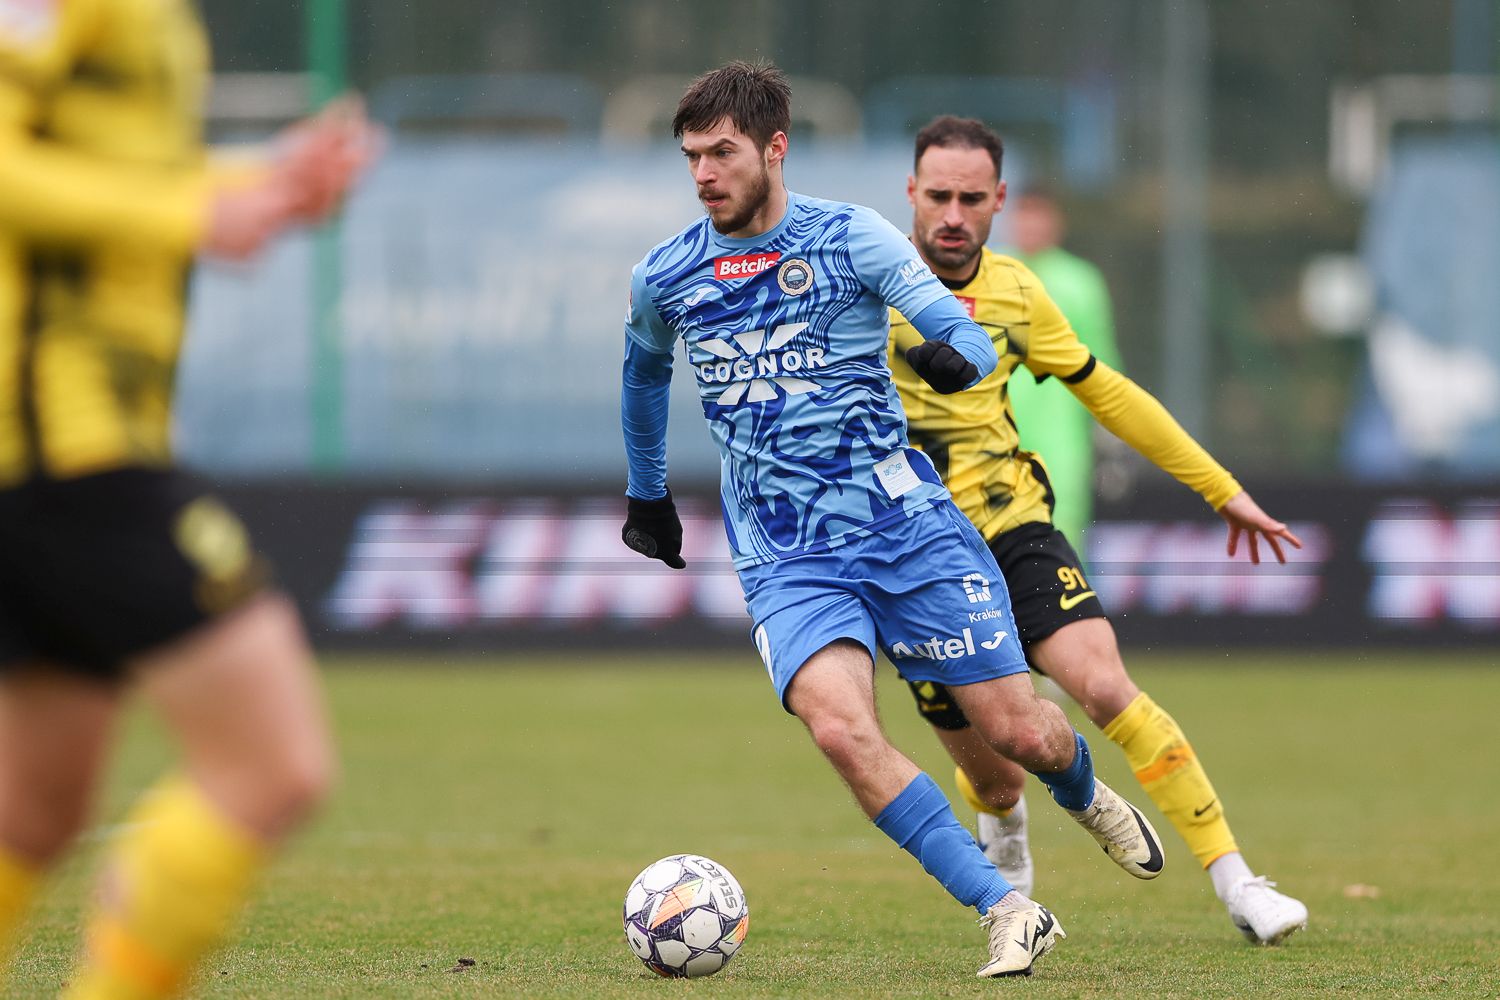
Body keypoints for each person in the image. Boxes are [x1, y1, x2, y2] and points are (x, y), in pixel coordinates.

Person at [618, 62, 1166, 979]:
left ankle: (1082, 789)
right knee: (840, 730)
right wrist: (647, 492)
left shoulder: (851, 238)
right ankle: (1007, 908)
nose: (705, 173)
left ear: (775, 149)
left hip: (907, 530)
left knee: (1019, 734)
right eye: (692, 157)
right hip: (787, 556)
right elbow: (642, 374)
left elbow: (964, 332)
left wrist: (956, 357)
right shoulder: (667, 274)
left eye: (723, 153)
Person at [0, 3, 378, 997]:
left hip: (71, 453)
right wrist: (189, 213)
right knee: (273, 766)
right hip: (63, 447)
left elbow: (107, 171)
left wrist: (263, 182)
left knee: (32, 813)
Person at [888, 115, 1309, 945]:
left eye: (971, 198)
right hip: (916, 556)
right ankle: (1004, 826)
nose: (953, 214)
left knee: (1106, 685)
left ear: (1000, 199)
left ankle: (1237, 880)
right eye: (938, 196)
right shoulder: (868, 286)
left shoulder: (1018, 293)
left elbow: (1108, 392)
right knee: (999, 776)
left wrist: (1219, 488)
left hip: (1012, 523)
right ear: (911, 193)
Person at [1003, 186, 1124, 549]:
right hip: (995, 429)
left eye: (1039, 214)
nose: (1031, 225)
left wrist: (1111, 437)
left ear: (1056, 221)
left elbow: (1101, 360)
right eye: (1024, 214)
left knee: (1063, 535)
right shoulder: (991, 271)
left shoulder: (1081, 282)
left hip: (1062, 435)